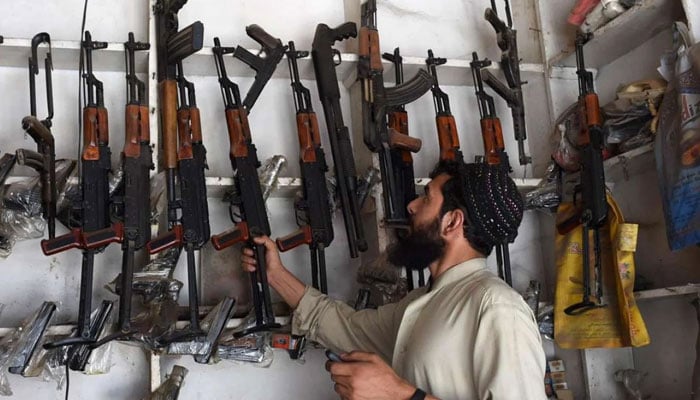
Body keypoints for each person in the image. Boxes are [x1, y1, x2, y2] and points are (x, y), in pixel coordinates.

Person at [241, 160, 546, 400]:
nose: (412, 206)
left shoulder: (497, 308)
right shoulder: (420, 303)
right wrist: (276, 275)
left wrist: (401, 395)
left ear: (452, 221)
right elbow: (346, 328)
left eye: (427, 198)